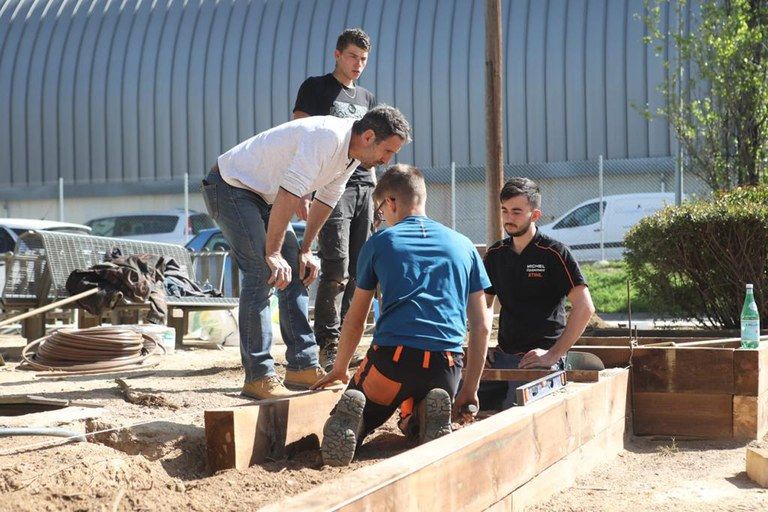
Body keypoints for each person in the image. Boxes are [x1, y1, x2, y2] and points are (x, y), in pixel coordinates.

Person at [201, 106, 411, 400]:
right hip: (230, 186)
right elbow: (290, 195)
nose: (386, 161)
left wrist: (304, 250)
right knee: (263, 270)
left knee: (297, 269)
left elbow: (325, 201)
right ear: (368, 137)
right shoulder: (326, 138)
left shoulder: (351, 157)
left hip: (266, 196)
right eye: (387, 151)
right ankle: (259, 376)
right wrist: (273, 253)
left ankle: (302, 365)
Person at [312, 164, 491, 466]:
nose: (382, 217)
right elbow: (482, 326)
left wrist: (340, 368)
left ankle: (360, 419)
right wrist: (470, 389)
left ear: (392, 202)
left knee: (365, 409)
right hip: (445, 363)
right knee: (425, 404)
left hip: (392, 360)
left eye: (380, 211)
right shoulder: (465, 245)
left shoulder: (380, 243)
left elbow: (356, 318)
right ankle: (422, 417)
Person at [292, 28, 377, 371]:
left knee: (360, 268)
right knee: (335, 265)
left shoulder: (367, 98)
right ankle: (327, 343)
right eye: (353, 56)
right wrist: (302, 190)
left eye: (364, 59)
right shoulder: (315, 87)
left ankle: (346, 343)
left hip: (364, 185)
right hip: (330, 186)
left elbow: (374, 146)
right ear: (337, 55)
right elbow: (299, 137)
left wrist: (377, 191)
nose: (358, 64)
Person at [481, 177, 595, 409]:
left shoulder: (554, 253)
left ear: (535, 215)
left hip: (540, 360)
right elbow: (483, 304)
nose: (509, 218)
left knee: (515, 412)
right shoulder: (495, 254)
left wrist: (553, 354)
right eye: (504, 210)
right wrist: (480, 349)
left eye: (516, 212)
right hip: (503, 356)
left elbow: (585, 308)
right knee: (461, 401)